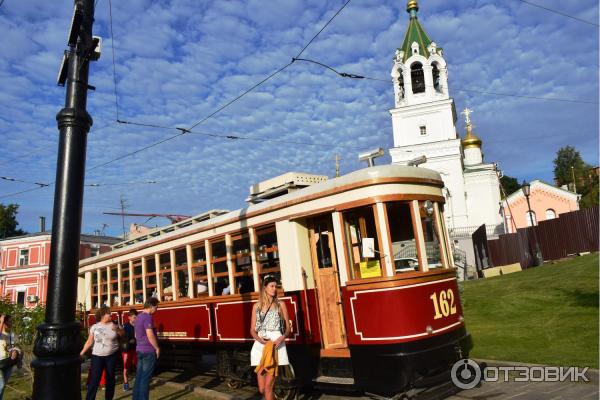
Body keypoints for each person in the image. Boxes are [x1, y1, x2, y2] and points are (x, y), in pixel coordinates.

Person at [250, 275, 290, 400]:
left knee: (268, 387)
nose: (274, 289)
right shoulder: (256, 306)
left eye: (276, 286)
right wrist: (259, 339)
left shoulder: (280, 305)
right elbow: (252, 330)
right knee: (262, 389)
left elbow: (288, 329)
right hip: (260, 345)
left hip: (275, 345)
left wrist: (281, 338)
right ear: (265, 288)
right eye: (271, 286)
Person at [80, 306, 122, 400]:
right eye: (109, 313)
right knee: (94, 380)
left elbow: (123, 334)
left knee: (110, 378)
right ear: (103, 315)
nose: (111, 315)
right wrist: (82, 353)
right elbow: (89, 342)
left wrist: (117, 330)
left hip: (112, 356)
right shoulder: (94, 327)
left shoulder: (114, 325)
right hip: (97, 356)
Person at [133, 297, 160, 400]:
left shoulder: (138, 317)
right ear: (151, 306)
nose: (156, 309)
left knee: (139, 377)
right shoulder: (148, 317)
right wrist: (157, 348)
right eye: (156, 307)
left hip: (139, 349)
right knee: (145, 379)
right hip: (148, 351)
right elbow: (150, 334)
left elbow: (136, 335)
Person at [0, 315, 20, 400]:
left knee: (3, 386)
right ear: (4, 323)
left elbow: (18, 346)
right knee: (0, 385)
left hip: (8, 363)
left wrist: (16, 350)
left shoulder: (11, 334)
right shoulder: (1, 334)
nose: (11, 323)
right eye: (9, 321)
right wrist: (1, 321)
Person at [121, 309, 138, 391]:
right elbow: (123, 337)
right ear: (129, 318)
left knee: (138, 365)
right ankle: (125, 383)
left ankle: (138, 381)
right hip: (127, 350)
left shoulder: (137, 325)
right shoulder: (126, 326)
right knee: (126, 368)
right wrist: (129, 340)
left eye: (136, 317)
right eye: (134, 317)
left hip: (136, 349)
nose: (136, 319)